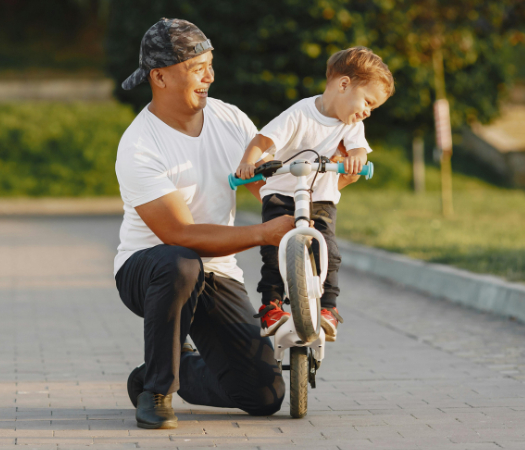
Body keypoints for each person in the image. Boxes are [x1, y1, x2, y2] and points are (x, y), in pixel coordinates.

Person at [113, 18, 296, 429]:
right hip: (149, 269)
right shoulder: (140, 145)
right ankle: (157, 391)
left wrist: (324, 182)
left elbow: (267, 191)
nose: (210, 76)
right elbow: (179, 234)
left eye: (210, 64)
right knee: (181, 262)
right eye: (197, 67)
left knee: (264, 396)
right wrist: (262, 234)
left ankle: (175, 369)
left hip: (216, 271)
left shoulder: (230, 120)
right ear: (159, 77)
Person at [235, 47, 395, 342]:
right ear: (344, 85)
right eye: (368, 101)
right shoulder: (300, 113)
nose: (367, 111)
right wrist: (248, 161)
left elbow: (358, 148)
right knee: (273, 249)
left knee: (329, 251)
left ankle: (328, 309)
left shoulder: (352, 125)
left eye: (373, 108)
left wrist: (356, 159)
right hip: (281, 194)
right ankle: (271, 305)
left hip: (320, 196)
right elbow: (263, 138)